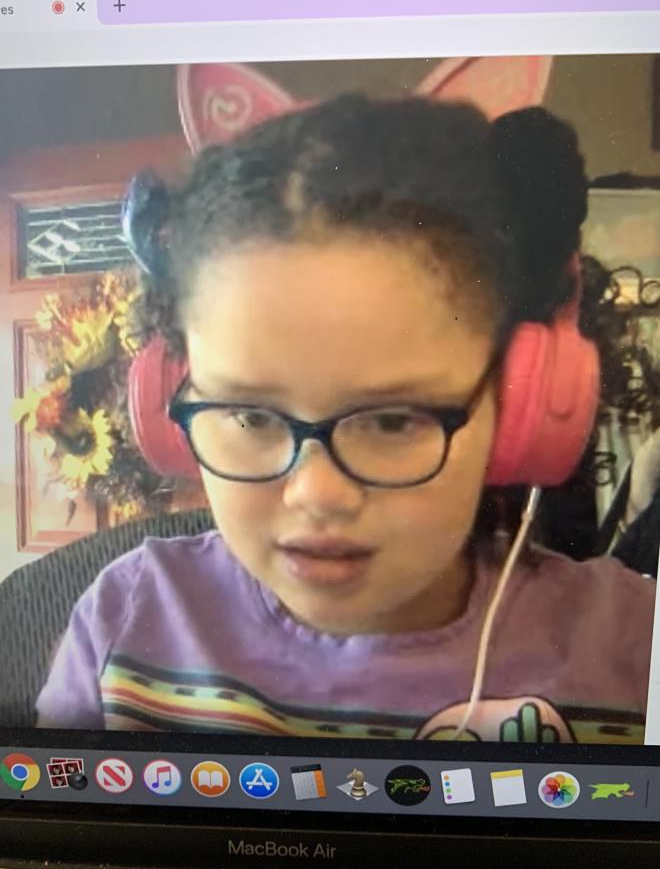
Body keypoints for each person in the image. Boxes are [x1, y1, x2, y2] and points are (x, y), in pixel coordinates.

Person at [36, 96, 656, 743]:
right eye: (249, 415)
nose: (316, 495)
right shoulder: (128, 623)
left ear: (522, 402)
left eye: (392, 421)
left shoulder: (630, 652)